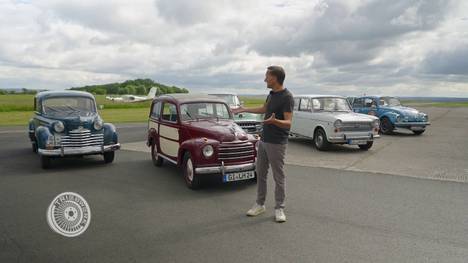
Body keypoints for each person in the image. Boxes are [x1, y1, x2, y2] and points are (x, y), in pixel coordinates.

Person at [231, 65, 294, 223]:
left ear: (274, 78)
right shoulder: (271, 94)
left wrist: (275, 121)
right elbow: (264, 108)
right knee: (261, 173)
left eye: (267, 76)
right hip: (264, 139)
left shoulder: (287, 97)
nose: (265, 79)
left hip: (277, 142)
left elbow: (288, 122)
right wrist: (243, 109)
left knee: (278, 176)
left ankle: (279, 208)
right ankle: (260, 204)